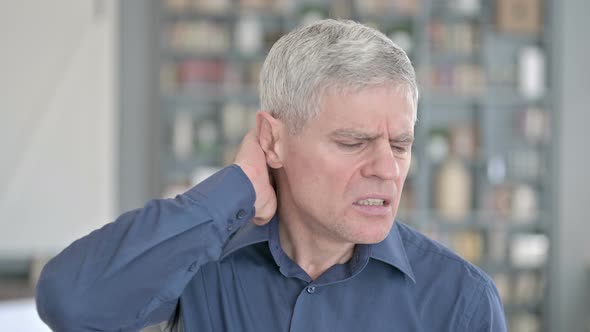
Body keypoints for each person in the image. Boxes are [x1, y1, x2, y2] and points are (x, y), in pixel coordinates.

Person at [36, 19, 506, 331]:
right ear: (273, 140)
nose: (387, 169)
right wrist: (237, 186)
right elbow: (72, 303)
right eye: (352, 142)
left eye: (400, 144)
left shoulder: (460, 302)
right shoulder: (202, 266)